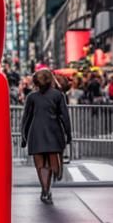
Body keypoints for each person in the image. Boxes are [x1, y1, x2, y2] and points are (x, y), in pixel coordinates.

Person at [20, 68, 72, 204]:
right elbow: (65, 117)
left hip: (36, 133)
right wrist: (68, 134)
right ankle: (53, 178)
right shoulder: (58, 95)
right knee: (52, 163)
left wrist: (24, 136)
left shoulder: (31, 97)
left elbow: (26, 118)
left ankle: (45, 191)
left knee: (40, 166)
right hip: (54, 132)